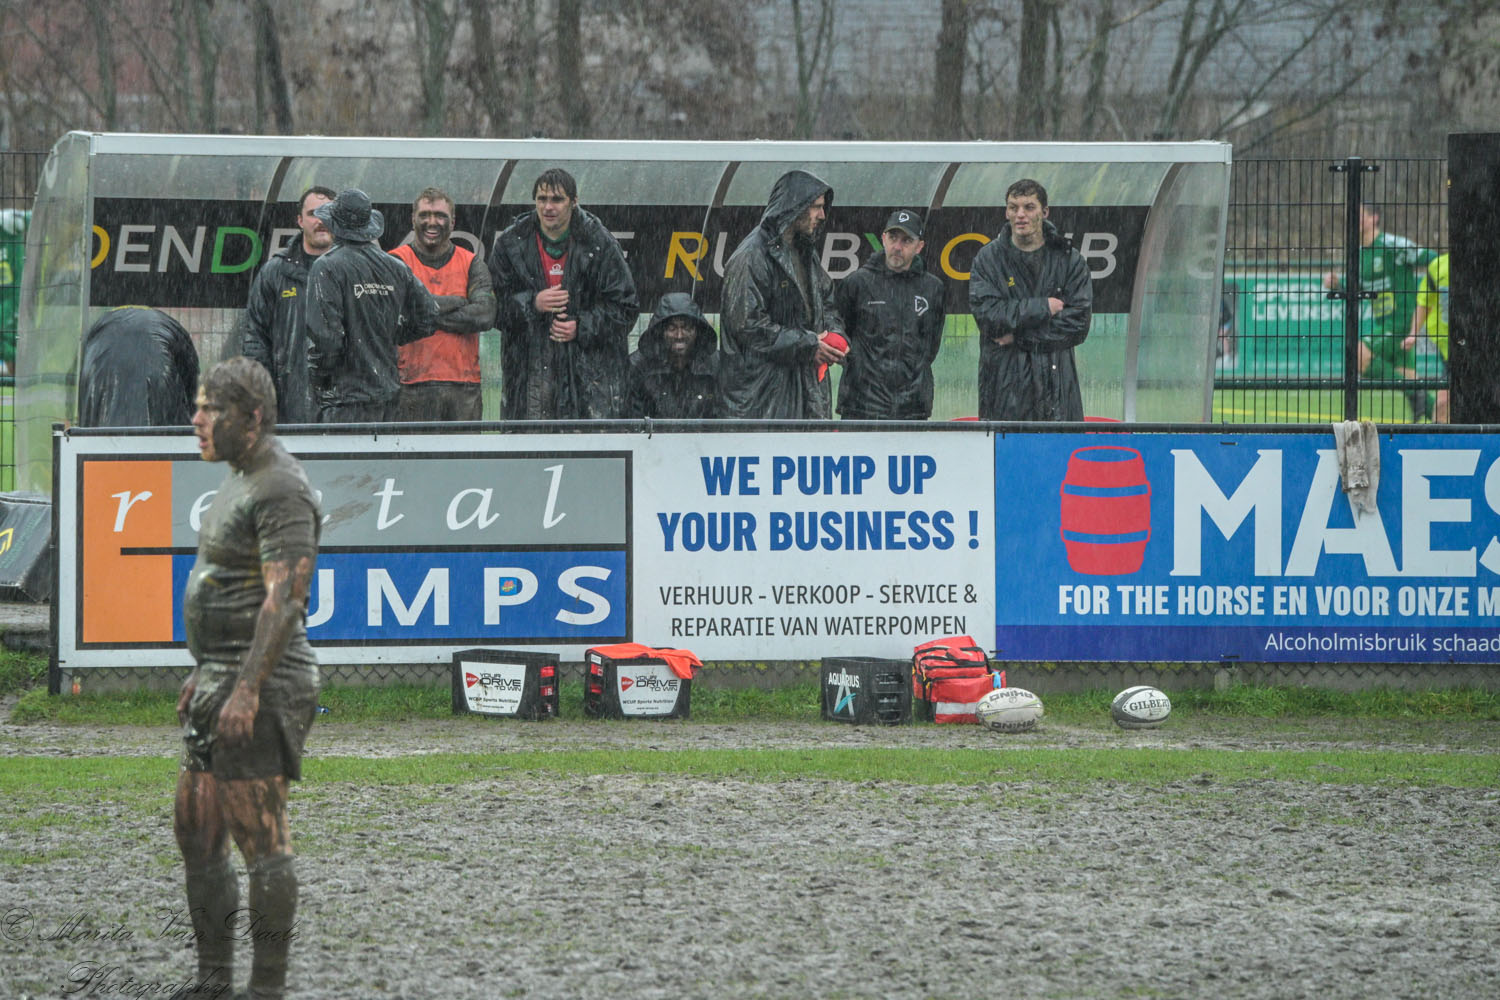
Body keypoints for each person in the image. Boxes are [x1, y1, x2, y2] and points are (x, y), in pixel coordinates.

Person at [176, 356, 321, 1000]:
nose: (197, 419)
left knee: (261, 839)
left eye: (211, 409)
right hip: (220, 676)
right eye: (199, 406)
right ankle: (213, 984)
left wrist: (246, 687)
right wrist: (205, 671)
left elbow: (284, 601)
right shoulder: (239, 477)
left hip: (266, 682)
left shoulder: (282, 487)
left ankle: (266, 989)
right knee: (197, 830)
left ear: (252, 418)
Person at [489, 168, 638, 420]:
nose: (548, 207)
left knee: (583, 441)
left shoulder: (599, 243)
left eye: (557, 199)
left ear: (574, 201)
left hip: (588, 380)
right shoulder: (511, 242)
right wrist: (532, 304)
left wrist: (581, 327)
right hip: (528, 375)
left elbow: (626, 308)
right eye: (542, 199)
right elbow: (493, 307)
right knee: (531, 441)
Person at [719, 169, 847, 419]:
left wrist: (833, 335)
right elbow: (747, 326)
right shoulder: (751, 257)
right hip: (761, 397)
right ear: (794, 207)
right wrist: (808, 345)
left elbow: (826, 301)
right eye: (816, 207)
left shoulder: (804, 251)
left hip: (802, 387)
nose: (822, 215)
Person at [305, 188, 438, 423]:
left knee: (341, 449)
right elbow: (429, 316)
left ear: (335, 224)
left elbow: (327, 339)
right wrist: (391, 334)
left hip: (344, 401)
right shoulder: (394, 266)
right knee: (380, 450)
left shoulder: (326, 267)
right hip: (387, 396)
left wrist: (319, 381)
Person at [969, 178, 1093, 421]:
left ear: (1044, 212)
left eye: (1029, 207)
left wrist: (1019, 337)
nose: (1020, 215)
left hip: (1057, 393)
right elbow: (989, 318)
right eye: (1013, 207)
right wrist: (1043, 307)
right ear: (1006, 212)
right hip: (1003, 392)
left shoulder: (1069, 260)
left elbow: (1078, 326)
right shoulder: (988, 259)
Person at [1322, 201, 1436, 422]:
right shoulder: (1358, 254)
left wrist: (1432, 290)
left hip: (1401, 322)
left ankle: (1417, 394)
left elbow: (1433, 259)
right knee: (1414, 386)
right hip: (1384, 324)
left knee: (1357, 355)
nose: (1355, 220)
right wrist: (1337, 284)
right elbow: (1356, 290)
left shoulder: (1392, 245)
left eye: (1360, 214)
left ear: (1374, 218)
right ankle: (1453, 429)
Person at [390, 186, 496, 421]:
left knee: (463, 449)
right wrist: (457, 303)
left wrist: (422, 312)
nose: (432, 222)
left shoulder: (472, 263)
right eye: (424, 215)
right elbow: (393, 312)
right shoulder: (395, 261)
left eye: (440, 215)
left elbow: (485, 315)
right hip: (409, 385)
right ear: (413, 219)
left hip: (463, 386)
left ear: (453, 221)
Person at [833, 209, 946, 419]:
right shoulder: (857, 283)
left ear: (919, 246)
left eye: (906, 240)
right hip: (862, 407)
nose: (897, 247)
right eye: (893, 238)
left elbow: (930, 346)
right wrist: (864, 373)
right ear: (883, 239)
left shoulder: (933, 288)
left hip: (913, 408)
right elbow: (841, 334)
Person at [243, 186, 335, 424]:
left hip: (343, 406)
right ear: (300, 221)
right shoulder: (275, 272)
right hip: (288, 403)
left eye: (328, 213)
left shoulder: (355, 269)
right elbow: (255, 339)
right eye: (313, 214)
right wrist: (263, 395)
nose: (321, 221)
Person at [76, 306, 199, 426]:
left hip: (100, 360)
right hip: (160, 371)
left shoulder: (98, 333)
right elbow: (193, 391)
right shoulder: (171, 330)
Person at [624, 292, 721, 419]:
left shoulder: (716, 365)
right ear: (661, 332)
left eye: (686, 328)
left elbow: (724, 415)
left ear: (697, 331)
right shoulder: (639, 367)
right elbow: (632, 419)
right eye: (672, 328)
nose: (679, 335)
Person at [1404, 251, 1451, 423]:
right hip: (1451, 348)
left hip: (1485, 348)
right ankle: (1439, 439)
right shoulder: (1438, 266)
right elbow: (1424, 303)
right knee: (1442, 404)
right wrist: (1413, 333)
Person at [0, 207, 30, 378]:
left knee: (14, 347)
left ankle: (20, 380)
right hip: (10, 302)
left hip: (15, 299)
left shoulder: (7, 221)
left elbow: (41, 216)